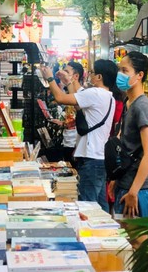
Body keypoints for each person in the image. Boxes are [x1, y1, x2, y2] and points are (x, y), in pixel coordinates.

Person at [41, 59, 117, 212]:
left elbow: (61, 98)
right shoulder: (109, 97)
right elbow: (77, 103)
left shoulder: (95, 93)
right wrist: (68, 82)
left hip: (91, 159)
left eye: (93, 72)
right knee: (100, 207)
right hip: (100, 158)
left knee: (87, 207)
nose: (90, 75)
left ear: (99, 77)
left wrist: (50, 78)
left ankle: (92, 235)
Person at [110, 51, 148, 218]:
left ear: (140, 75)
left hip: (137, 189)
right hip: (125, 182)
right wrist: (116, 178)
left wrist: (133, 192)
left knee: (135, 240)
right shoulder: (128, 102)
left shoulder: (141, 106)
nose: (120, 75)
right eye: (119, 70)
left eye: (125, 70)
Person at [48, 61, 85, 167]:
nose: (62, 74)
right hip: (68, 141)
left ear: (76, 76)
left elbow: (79, 119)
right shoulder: (70, 94)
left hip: (75, 144)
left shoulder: (82, 95)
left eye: (66, 72)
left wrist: (50, 78)